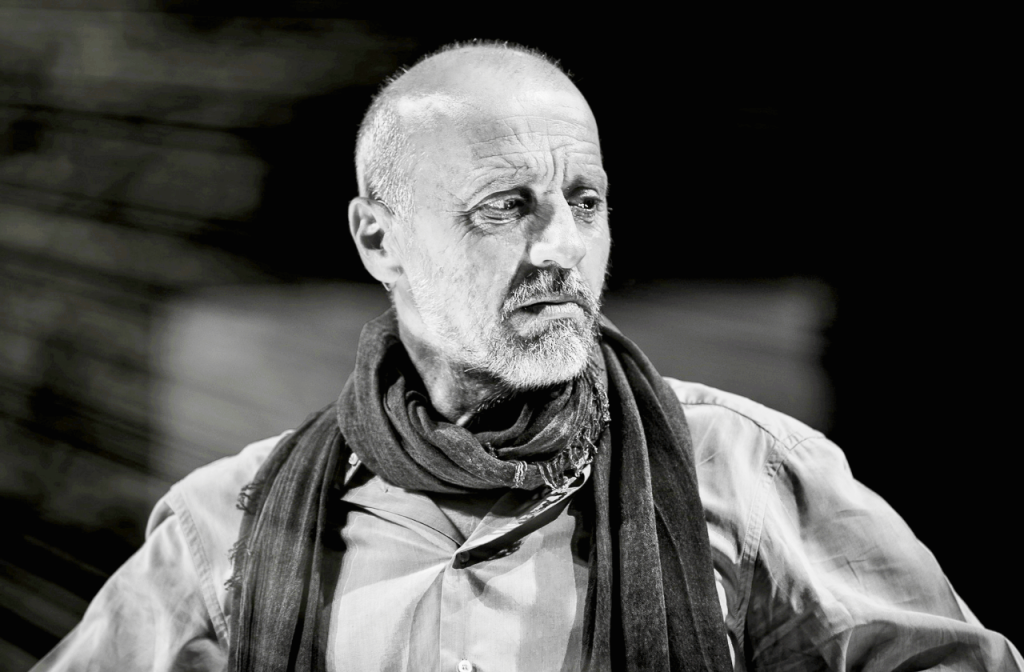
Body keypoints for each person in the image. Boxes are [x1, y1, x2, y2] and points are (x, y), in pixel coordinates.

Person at [33, 41, 1021, 672]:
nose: (560, 249)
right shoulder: (226, 526)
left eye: (583, 203)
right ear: (378, 240)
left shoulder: (745, 470)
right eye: (505, 207)